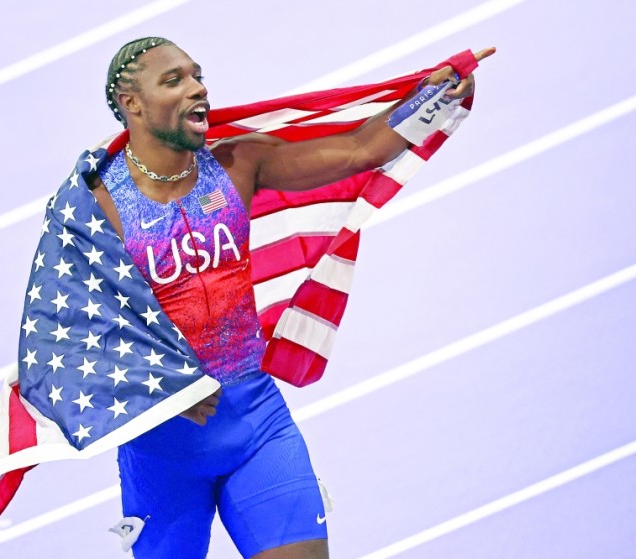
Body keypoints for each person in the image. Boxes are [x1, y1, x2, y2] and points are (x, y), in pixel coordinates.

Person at [90, 37, 493, 559]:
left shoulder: (238, 163)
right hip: (162, 451)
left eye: (197, 74)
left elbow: (360, 150)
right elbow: (78, 332)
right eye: (174, 80)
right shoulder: (96, 204)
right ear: (132, 105)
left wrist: (432, 97)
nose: (197, 88)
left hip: (257, 424)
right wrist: (160, 385)